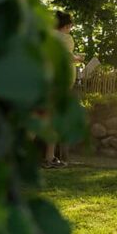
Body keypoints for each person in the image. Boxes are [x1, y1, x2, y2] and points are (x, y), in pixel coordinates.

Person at [44, 11, 81, 168]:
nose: (71, 28)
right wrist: (77, 58)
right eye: (71, 25)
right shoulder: (66, 38)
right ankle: (49, 158)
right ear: (66, 25)